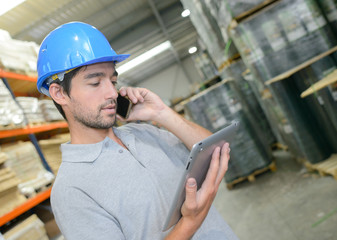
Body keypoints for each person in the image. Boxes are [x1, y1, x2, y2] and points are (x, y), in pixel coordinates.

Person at [36, 22, 238, 240]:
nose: (112, 92)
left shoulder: (145, 134)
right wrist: (190, 223)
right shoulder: (72, 190)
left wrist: (161, 113)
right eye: (95, 83)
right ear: (59, 93)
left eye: (113, 80)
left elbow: (219, 150)